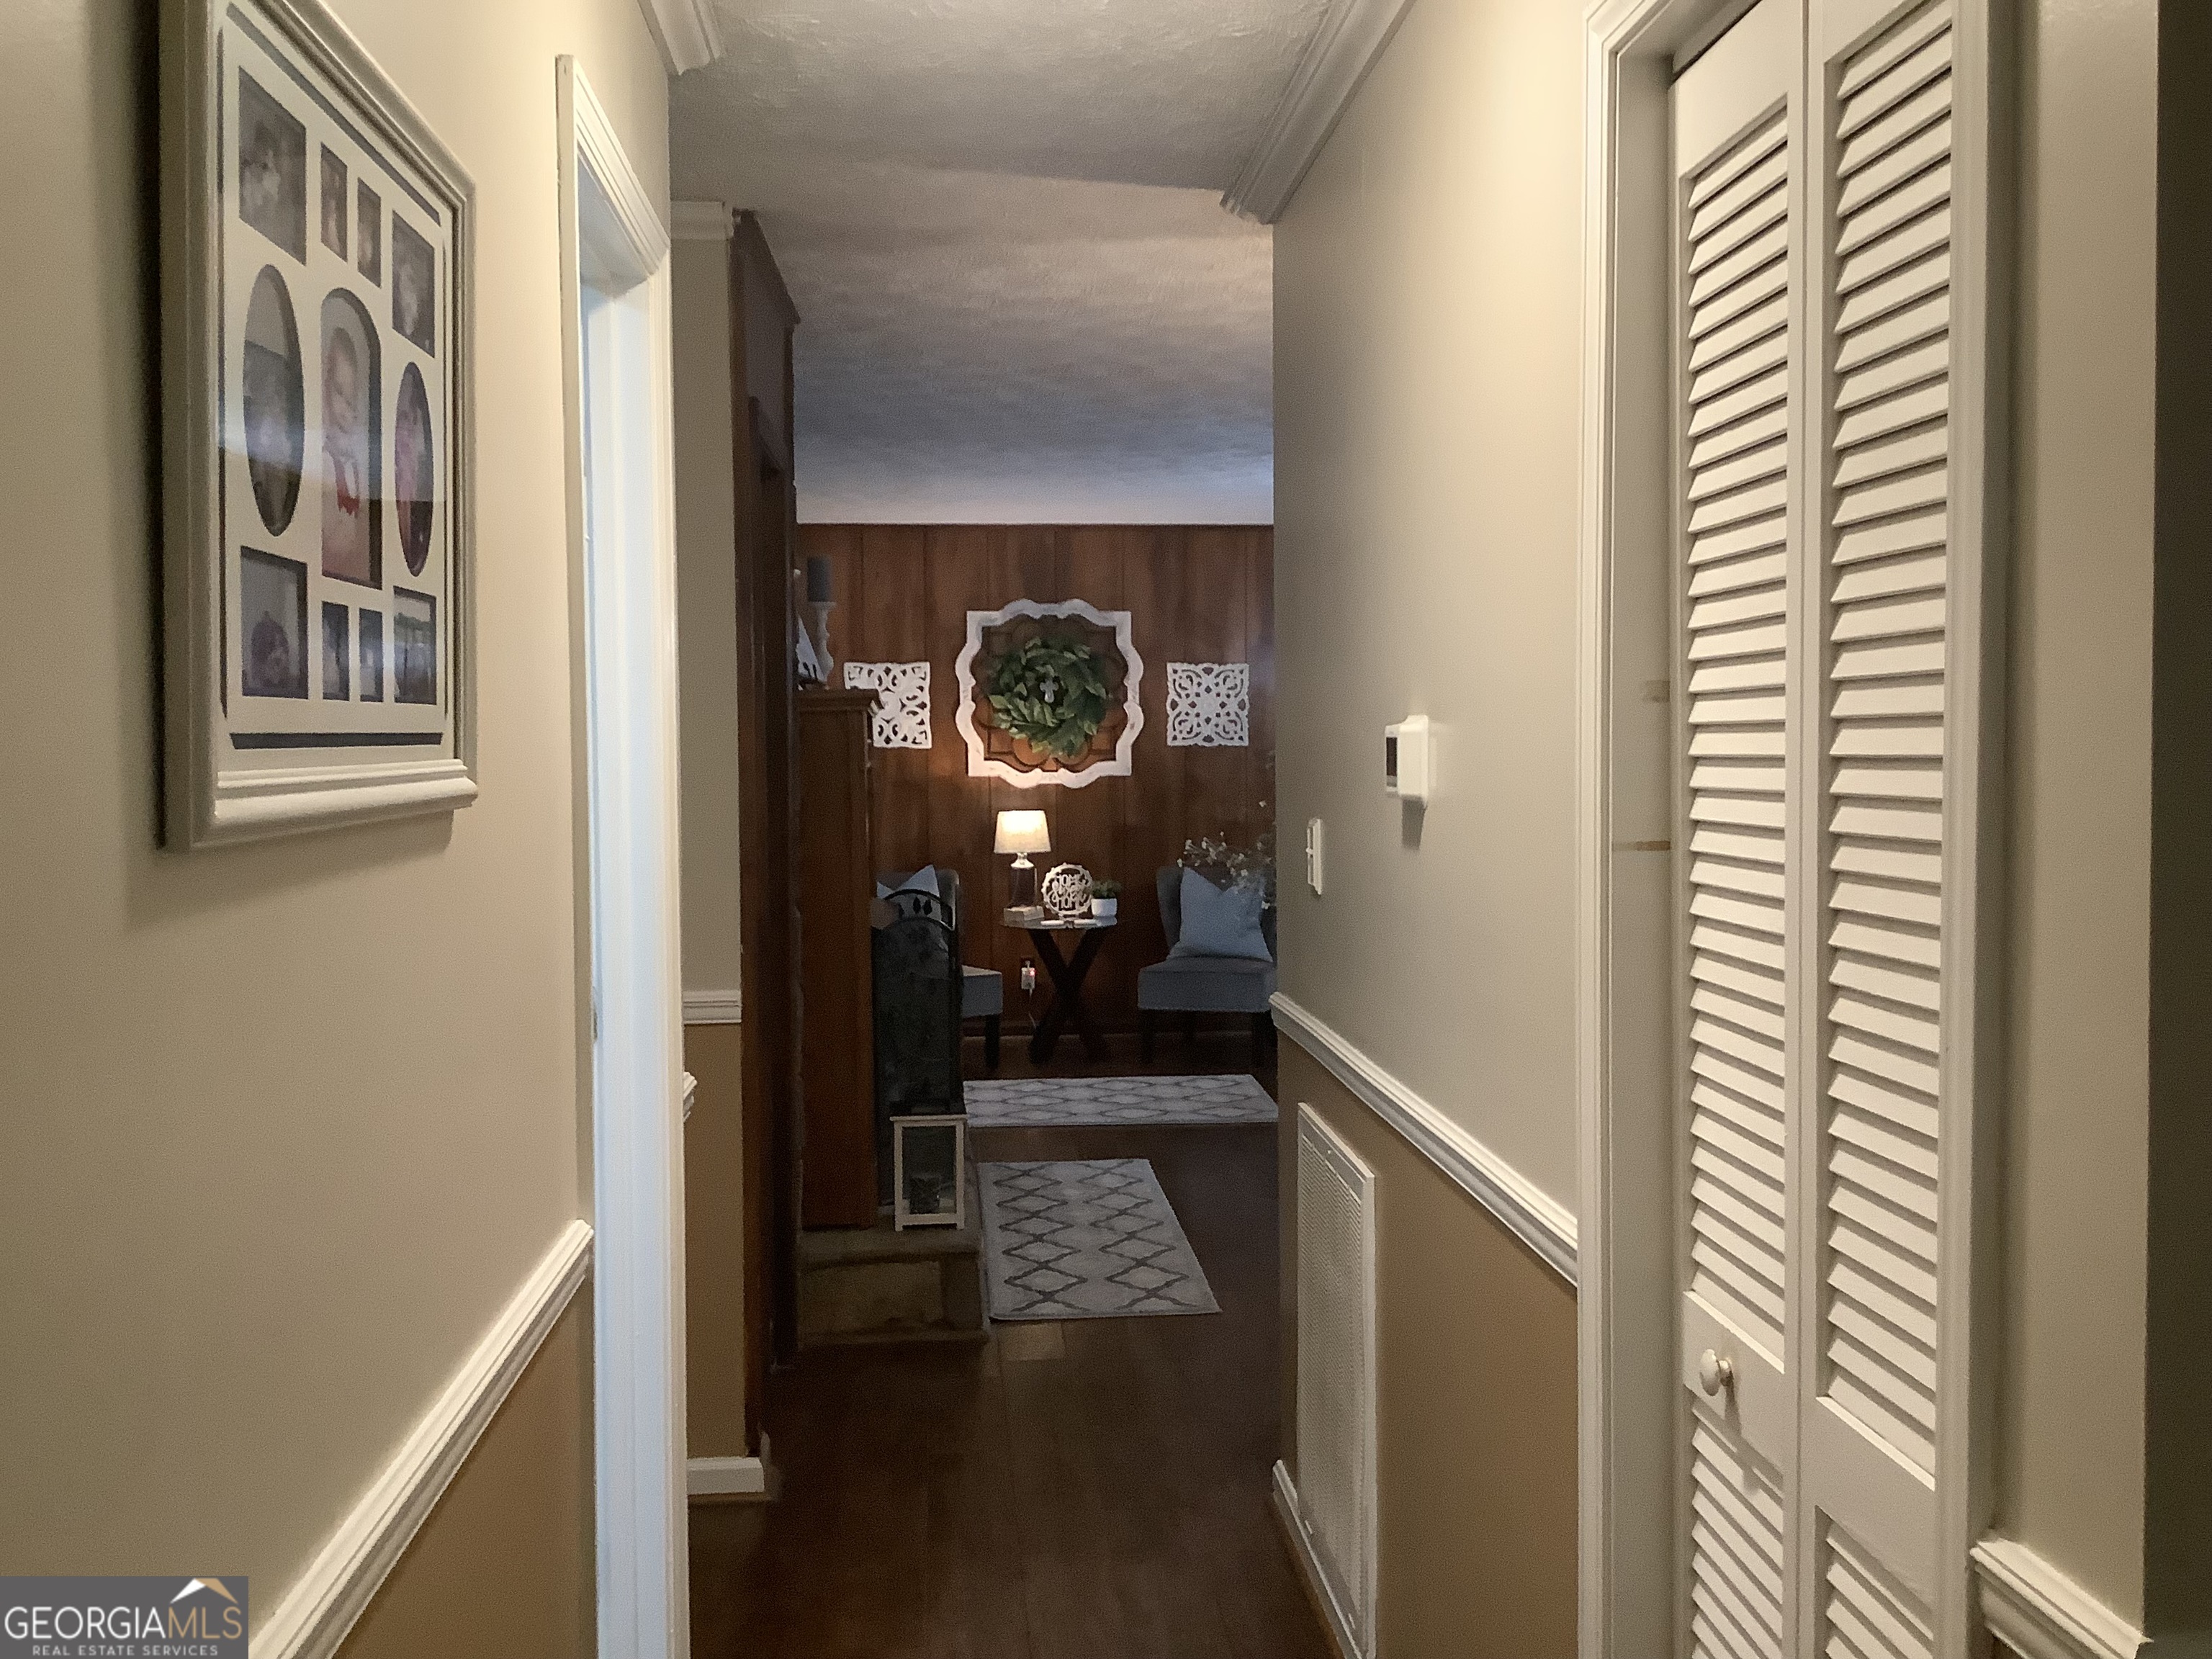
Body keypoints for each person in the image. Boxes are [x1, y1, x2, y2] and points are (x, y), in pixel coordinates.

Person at [321, 323, 372, 583]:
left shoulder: (357, 467)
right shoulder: (322, 462)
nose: (344, 410)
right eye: (338, 392)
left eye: (351, 401)